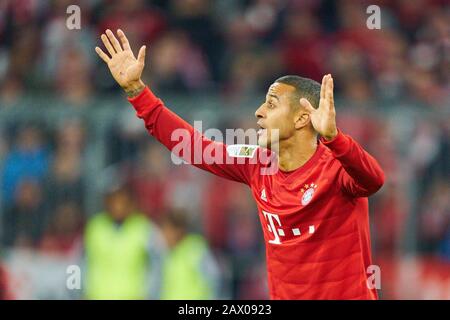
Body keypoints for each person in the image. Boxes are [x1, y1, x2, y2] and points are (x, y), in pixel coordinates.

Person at [95, 29, 385, 300]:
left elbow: (374, 180)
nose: (259, 112)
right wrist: (136, 90)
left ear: (301, 118)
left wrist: (335, 138)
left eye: (272, 104)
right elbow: (193, 146)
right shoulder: (257, 164)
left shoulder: (337, 166)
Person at [83, 184, 165, 299]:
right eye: (114, 202)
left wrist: (151, 294)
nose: (118, 207)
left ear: (131, 203)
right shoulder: (95, 226)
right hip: (97, 296)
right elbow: (82, 262)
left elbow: (157, 266)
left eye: (123, 202)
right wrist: (80, 290)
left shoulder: (144, 228)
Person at [159, 208, 220, 300]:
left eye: (168, 231)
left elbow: (213, 279)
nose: (165, 236)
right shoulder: (167, 254)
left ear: (179, 230)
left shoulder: (195, 249)